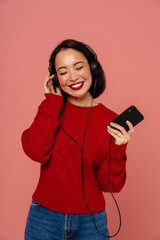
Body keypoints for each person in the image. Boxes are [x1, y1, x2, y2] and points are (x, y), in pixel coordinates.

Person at [21, 39, 134, 240]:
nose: (72, 76)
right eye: (63, 72)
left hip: (91, 223)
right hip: (44, 219)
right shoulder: (51, 109)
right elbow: (36, 151)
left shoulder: (111, 121)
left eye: (79, 67)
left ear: (92, 68)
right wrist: (51, 103)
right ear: (55, 78)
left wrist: (118, 148)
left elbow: (110, 186)